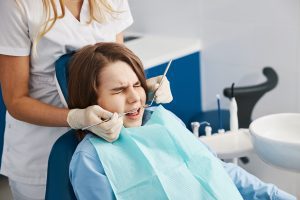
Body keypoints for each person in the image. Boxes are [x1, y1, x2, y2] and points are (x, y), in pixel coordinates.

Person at [68, 42, 296, 200]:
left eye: (137, 84)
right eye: (118, 90)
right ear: (91, 101)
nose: (134, 97)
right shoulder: (90, 159)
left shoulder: (163, 120)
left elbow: (215, 169)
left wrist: (276, 195)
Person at [0, 0, 172, 199]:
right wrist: (76, 118)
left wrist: (140, 88)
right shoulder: (18, 5)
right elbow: (16, 101)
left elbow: (117, 64)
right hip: (41, 154)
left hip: (105, 148)